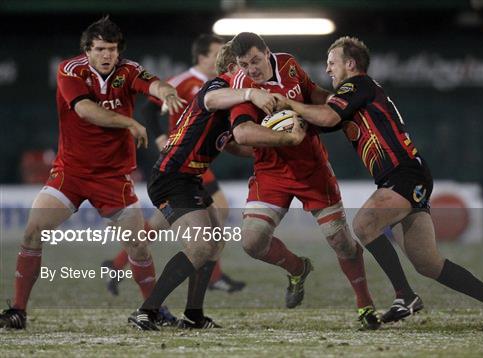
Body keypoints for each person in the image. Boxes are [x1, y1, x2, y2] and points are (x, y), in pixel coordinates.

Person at [273, 36, 483, 331]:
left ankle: (404, 295)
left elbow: (325, 116)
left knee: (364, 224)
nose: (328, 69)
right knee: (428, 263)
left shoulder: (357, 84)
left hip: (404, 174)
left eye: (332, 62)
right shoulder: (355, 95)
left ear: (350, 64)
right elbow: (322, 116)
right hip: (406, 175)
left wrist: (287, 102)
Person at [0, 16, 185, 330]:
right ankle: (18, 311)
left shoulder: (128, 70)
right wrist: (129, 122)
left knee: (137, 245)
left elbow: (153, 83)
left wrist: (166, 92)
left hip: (112, 177)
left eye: (111, 49)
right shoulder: (70, 70)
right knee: (32, 232)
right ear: (87, 50)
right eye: (100, 49)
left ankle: (153, 310)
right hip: (70, 173)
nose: (106, 55)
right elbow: (85, 110)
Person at [128, 43, 301, 330]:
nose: (252, 72)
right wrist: (251, 92)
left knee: (215, 244)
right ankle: (147, 311)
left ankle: (193, 315)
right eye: (245, 66)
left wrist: (267, 148)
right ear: (233, 69)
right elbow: (210, 100)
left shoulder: (232, 103)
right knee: (200, 246)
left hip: (189, 179)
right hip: (171, 178)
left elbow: (231, 144)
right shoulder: (216, 87)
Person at [227, 32, 380, 330]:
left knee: (342, 242)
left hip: (312, 168)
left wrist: (343, 105)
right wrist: (287, 137)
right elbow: (242, 134)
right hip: (271, 171)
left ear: (267, 52)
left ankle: (365, 305)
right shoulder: (243, 85)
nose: (252, 69)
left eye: (256, 61)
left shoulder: (288, 64)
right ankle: (297, 268)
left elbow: (313, 94)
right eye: (245, 64)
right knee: (252, 242)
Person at [102, 34, 245, 295]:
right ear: (202, 57)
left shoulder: (221, 85)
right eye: (217, 54)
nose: (223, 60)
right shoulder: (184, 81)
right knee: (216, 212)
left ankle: (117, 264)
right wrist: (160, 139)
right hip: (181, 162)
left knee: (163, 223)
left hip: (197, 163)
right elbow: (148, 110)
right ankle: (212, 277)